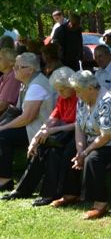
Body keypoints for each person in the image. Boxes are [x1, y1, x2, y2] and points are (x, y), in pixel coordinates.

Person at [51, 71, 111, 219]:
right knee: (70, 152)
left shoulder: (107, 100)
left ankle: (100, 204)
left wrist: (85, 152)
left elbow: (107, 135)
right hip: (96, 139)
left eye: (78, 91)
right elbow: (78, 126)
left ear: (90, 88)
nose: (76, 94)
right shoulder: (82, 100)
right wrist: (79, 150)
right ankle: (70, 193)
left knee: (93, 158)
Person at [1, 67, 77, 205]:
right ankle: (22, 190)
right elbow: (52, 118)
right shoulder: (63, 97)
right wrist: (36, 138)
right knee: (39, 148)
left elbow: (79, 124)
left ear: (71, 86)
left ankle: (49, 194)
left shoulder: (79, 97)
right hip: (64, 131)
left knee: (53, 153)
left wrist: (51, 131)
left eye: (62, 90)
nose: (60, 93)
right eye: (58, 90)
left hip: (77, 133)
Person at [0, 53, 55, 191]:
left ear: (30, 70)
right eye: (14, 66)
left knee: (2, 136)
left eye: (18, 67)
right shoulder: (27, 83)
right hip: (32, 126)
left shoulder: (36, 86)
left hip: (39, 129)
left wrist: (3, 127)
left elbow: (27, 118)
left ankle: (4, 180)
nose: (14, 69)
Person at [0, 48, 20, 116]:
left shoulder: (13, 77)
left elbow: (3, 105)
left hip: (7, 117)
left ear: (11, 62)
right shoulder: (4, 77)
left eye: (0, 58)